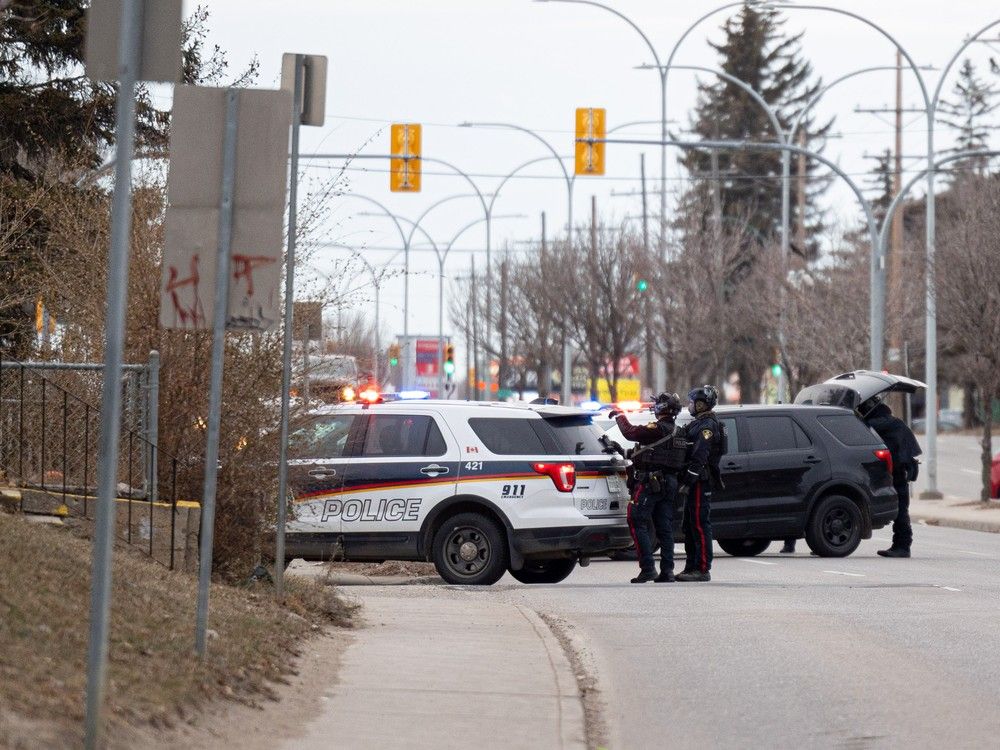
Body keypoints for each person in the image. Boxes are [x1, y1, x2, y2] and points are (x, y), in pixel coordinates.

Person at [610, 393, 684, 583]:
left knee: (636, 519)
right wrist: (622, 451)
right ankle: (667, 571)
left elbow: (630, 432)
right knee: (664, 527)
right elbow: (652, 454)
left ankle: (648, 568)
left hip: (651, 483)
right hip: (669, 483)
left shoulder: (658, 428)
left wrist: (620, 414)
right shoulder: (678, 431)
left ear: (662, 408)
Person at [859, 397, 921, 558]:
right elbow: (909, 449)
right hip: (901, 471)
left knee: (900, 509)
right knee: (902, 509)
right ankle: (902, 544)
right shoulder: (896, 423)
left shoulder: (872, 426)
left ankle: (902, 546)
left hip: (891, 472)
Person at [677, 385, 725, 582]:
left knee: (699, 524)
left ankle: (703, 568)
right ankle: (691, 565)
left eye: (694, 403)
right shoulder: (697, 423)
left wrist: (689, 479)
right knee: (688, 525)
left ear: (702, 404)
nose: (690, 406)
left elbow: (700, 456)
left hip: (700, 481)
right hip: (694, 481)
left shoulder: (707, 426)